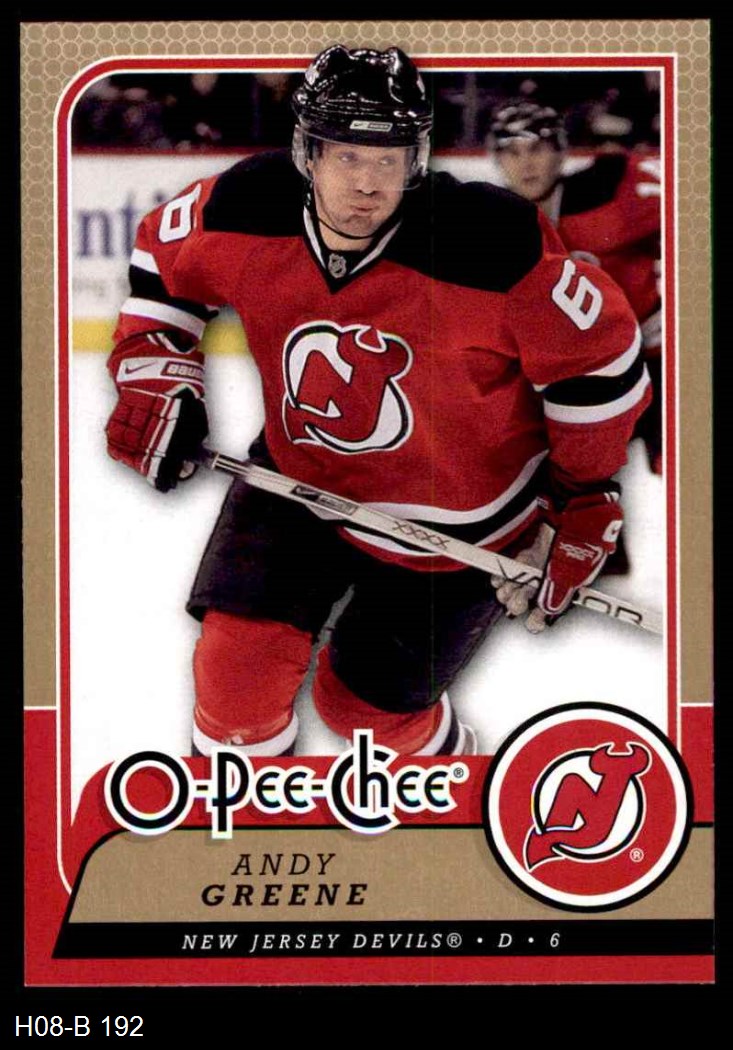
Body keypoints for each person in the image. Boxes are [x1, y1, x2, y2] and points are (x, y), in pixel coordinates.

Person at [104, 46, 650, 759]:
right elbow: (160, 266)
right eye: (347, 157)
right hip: (298, 485)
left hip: (465, 530)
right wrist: (155, 375)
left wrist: (586, 495)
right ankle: (247, 812)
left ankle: (448, 772)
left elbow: (599, 364)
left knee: (364, 714)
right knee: (235, 686)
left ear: (416, 158)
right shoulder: (246, 204)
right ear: (307, 151)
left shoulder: (490, 241)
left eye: (388, 159)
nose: (367, 183)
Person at [488, 99, 663, 474]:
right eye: (513, 152)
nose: (526, 163)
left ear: (560, 151)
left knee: (687, 471)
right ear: (497, 159)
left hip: (651, 359)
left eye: (537, 148)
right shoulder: (489, 224)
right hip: (565, 377)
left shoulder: (610, 189)